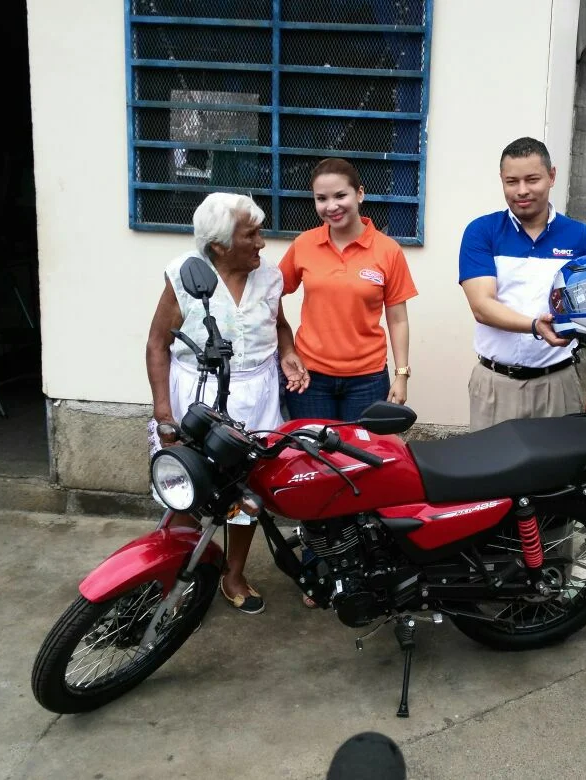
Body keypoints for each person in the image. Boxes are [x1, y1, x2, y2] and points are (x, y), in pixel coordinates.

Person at [146, 192, 310, 615]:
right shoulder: (184, 275)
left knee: (247, 495)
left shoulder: (270, 278)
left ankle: (233, 574)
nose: (261, 242)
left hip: (257, 398)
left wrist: (288, 351)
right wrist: (164, 414)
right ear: (219, 245)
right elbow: (157, 345)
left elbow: (280, 326)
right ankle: (183, 579)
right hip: (196, 397)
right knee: (188, 490)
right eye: (251, 234)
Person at [459, 137, 586, 431]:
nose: (522, 191)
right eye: (511, 181)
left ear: (551, 176)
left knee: (557, 476)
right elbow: (482, 306)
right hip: (495, 384)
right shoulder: (482, 232)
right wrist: (534, 325)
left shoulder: (578, 237)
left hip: (557, 384)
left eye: (532, 179)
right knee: (492, 473)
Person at [278, 158, 417, 421]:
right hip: (309, 378)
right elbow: (270, 293)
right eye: (321, 198)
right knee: (311, 456)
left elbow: (398, 319)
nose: (331, 206)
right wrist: (286, 346)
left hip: (367, 380)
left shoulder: (388, 250)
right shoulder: (304, 244)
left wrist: (401, 375)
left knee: (361, 457)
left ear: (360, 194)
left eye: (340, 195)